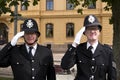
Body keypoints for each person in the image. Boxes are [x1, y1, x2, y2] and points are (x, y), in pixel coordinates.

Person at [61, 14, 116, 80]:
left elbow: (112, 76)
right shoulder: (79, 49)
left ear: (99, 32)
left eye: (95, 28)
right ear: (84, 32)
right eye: (89, 29)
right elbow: (65, 65)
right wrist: (74, 45)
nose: (92, 31)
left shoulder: (107, 51)